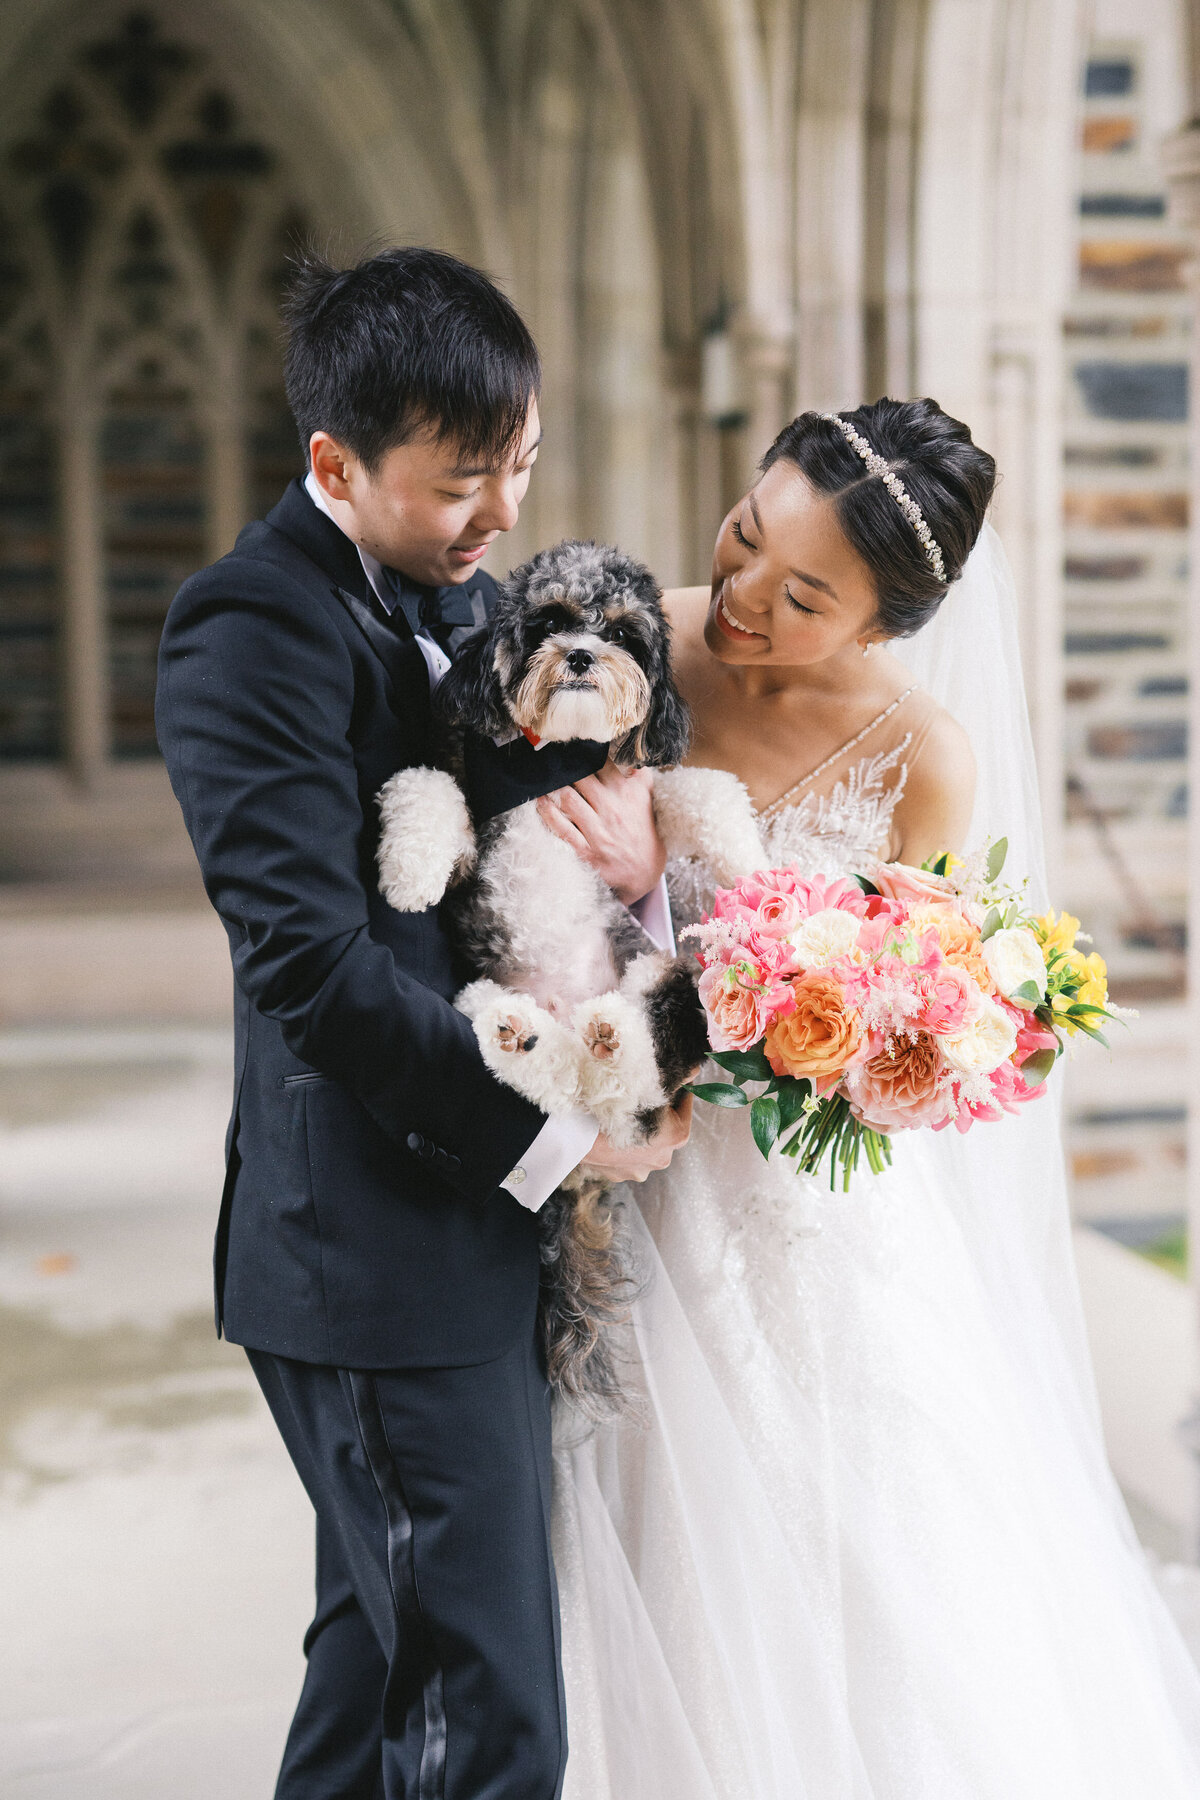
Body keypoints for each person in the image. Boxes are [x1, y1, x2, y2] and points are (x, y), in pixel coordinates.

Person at [540, 398, 1200, 1798]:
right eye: (742, 537)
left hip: (804, 1220)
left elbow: (907, 1015)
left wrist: (821, 1022)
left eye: (802, 597)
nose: (742, 600)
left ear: (886, 622)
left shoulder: (929, 757)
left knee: (869, 1551)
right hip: (616, 1158)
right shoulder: (623, 646)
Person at [155, 245, 690, 1800]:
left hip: (446, 1239)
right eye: (465, 481)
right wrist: (560, 1140)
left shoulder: (457, 596)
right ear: (334, 462)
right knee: (492, 1717)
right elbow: (312, 971)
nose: (503, 516)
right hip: (374, 1256)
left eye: (518, 467)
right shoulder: (249, 626)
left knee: (385, 1675)